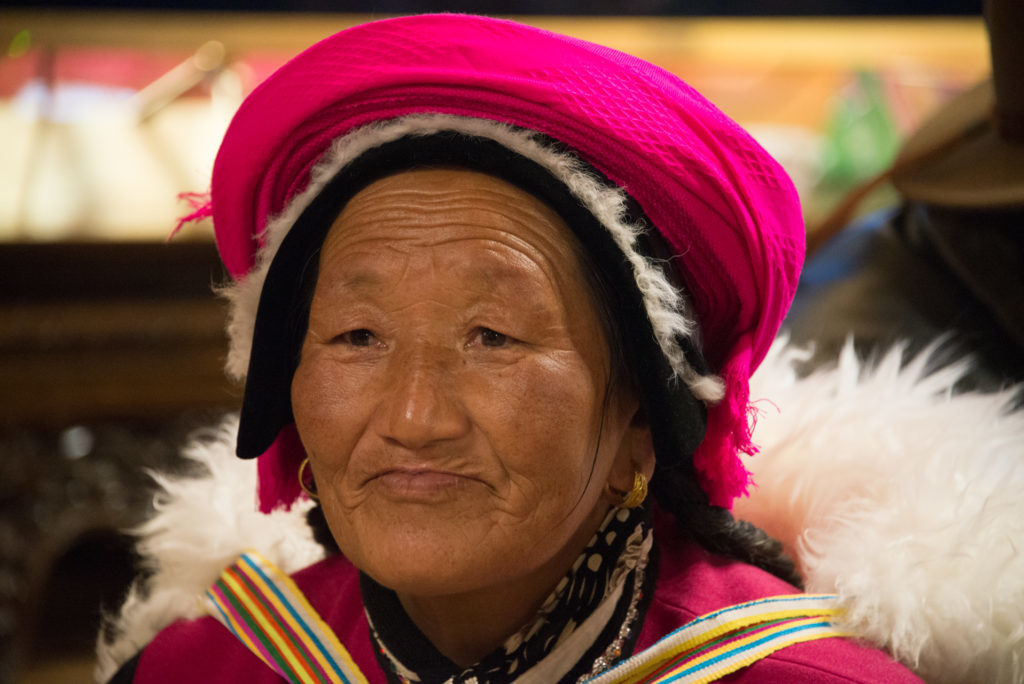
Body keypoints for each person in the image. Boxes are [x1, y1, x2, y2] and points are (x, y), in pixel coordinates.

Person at [99, 14, 922, 683]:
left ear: (641, 412)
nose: (414, 418)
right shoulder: (203, 669)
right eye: (358, 336)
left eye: (492, 337)